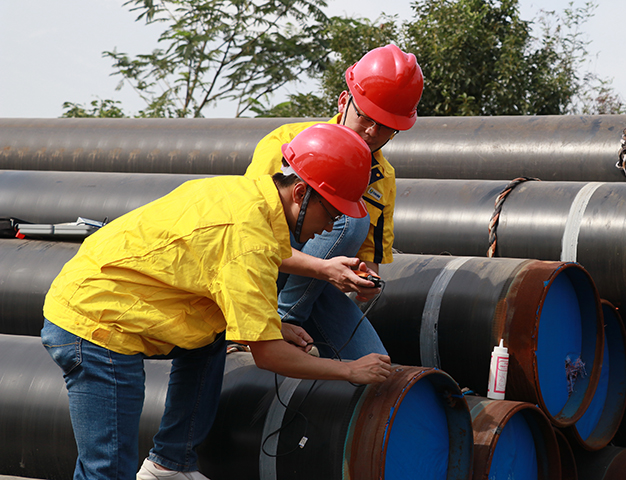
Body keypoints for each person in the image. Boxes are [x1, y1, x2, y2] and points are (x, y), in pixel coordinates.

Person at [40, 123, 392, 480]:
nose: (328, 228)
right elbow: (268, 355)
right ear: (301, 192)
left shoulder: (250, 197)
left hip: (118, 292)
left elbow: (236, 268)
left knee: (211, 335)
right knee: (109, 469)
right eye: (331, 215)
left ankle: (170, 466)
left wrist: (272, 324)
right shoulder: (248, 235)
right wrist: (349, 370)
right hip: (96, 322)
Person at [245, 44, 424, 360]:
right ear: (344, 101)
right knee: (350, 214)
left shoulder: (381, 178)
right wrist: (323, 268)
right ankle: (281, 322)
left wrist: (363, 281)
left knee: (372, 364)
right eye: (365, 117)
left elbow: (368, 260)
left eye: (386, 126)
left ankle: (289, 319)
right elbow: (247, 240)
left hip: (314, 284)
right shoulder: (286, 144)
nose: (372, 131)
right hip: (258, 272)